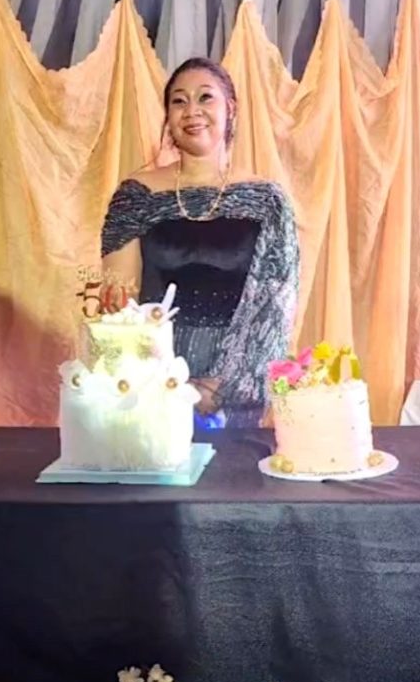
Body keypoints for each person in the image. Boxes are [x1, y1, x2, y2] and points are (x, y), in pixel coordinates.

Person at [101, 57, 300, 427]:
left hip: (237, 385)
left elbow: (277, 306)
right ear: (168, 116)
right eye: (179, 101)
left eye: (205, 97)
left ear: (230, 109)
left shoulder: (267, 200)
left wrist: (225, 386)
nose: (192, 110)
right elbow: (118, 307)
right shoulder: (136, 196)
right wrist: (162, 381)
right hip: (153, 385)